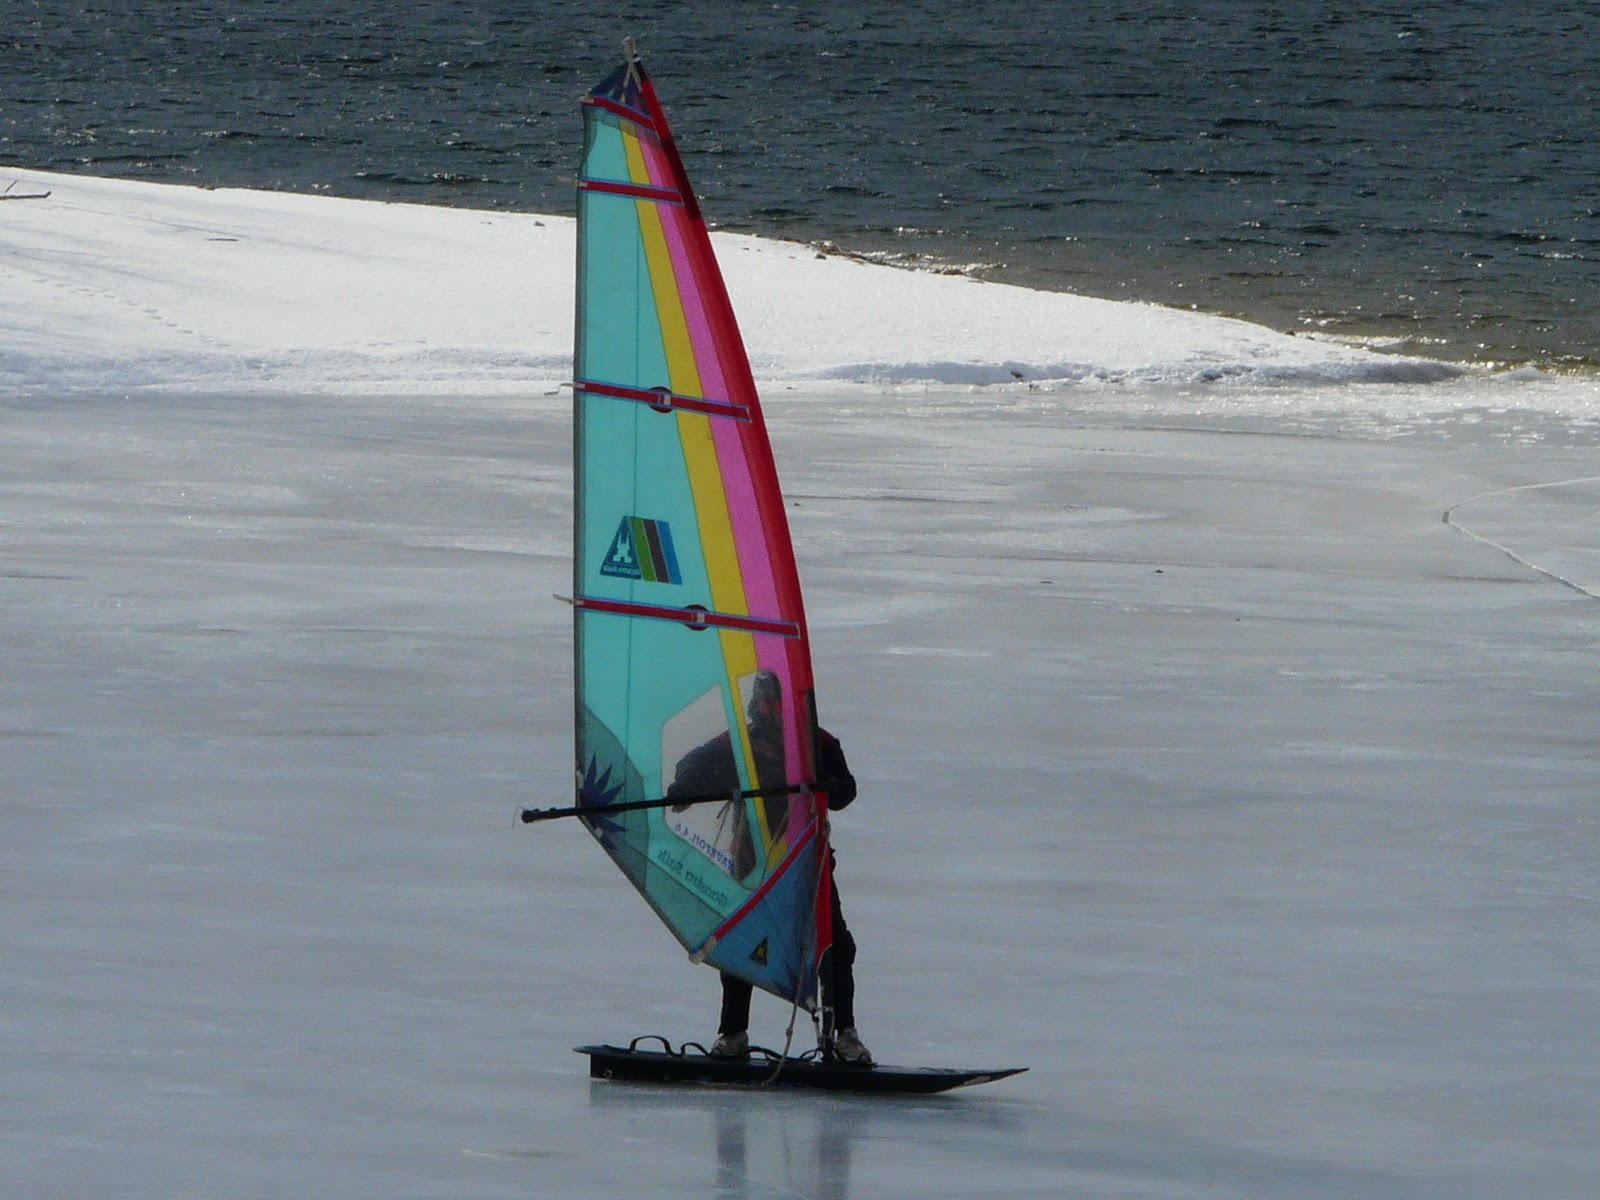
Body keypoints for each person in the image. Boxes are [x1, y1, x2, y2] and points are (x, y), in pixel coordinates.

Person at [666, 671, 871, 1065]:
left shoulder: (819, 743)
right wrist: (686, 788)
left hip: (807, 864)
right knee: (740, 942)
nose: (773, 712)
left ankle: (844, 1035)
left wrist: (828, 784)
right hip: (753, 860)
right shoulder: (741, 743)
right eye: (766, 704)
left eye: (780, 705)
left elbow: (846, 791)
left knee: (837, 945)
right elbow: (694, 762)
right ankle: (732, 1034)